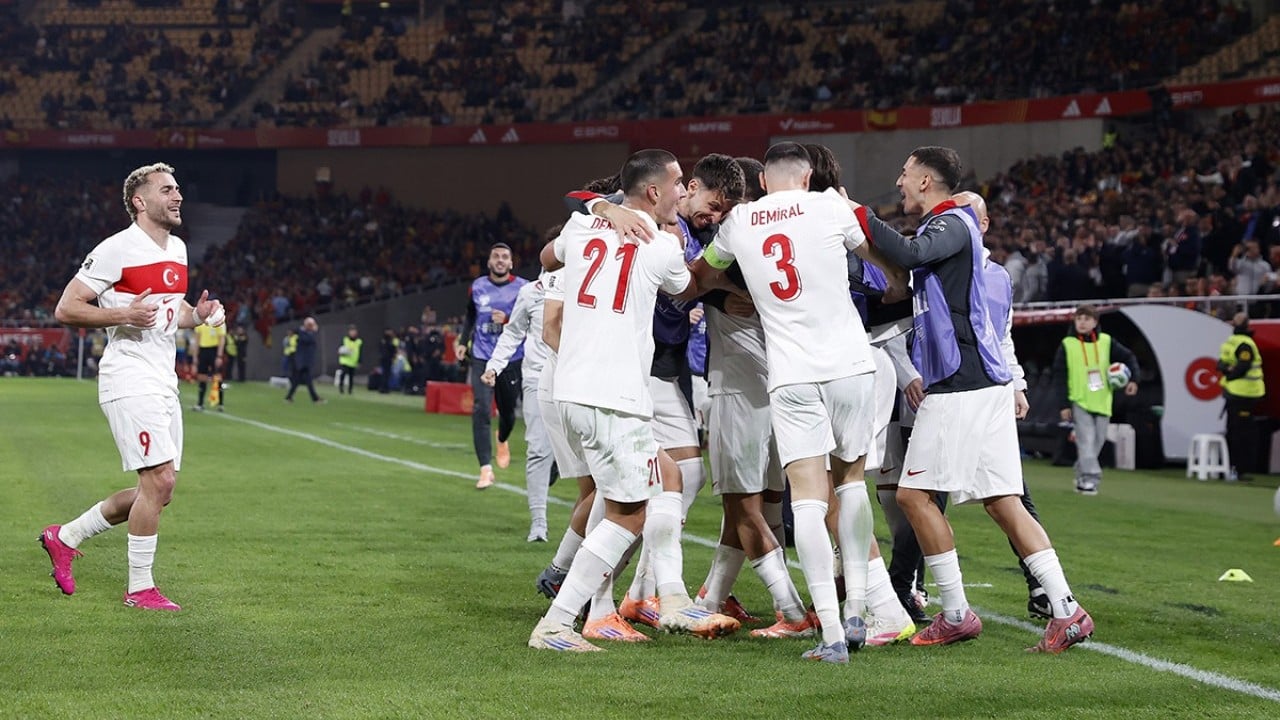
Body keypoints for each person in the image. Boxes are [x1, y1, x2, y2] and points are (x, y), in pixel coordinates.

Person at [847, 145, 1092, 653]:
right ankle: (1067, 610)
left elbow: (910, 255)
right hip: (986, 384)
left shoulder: (951, 222)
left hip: (962, 384)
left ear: (926, 180)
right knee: (1003, 502)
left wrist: (857, 213)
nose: (899, 182)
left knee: (913, 496)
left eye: (905, 173)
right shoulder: (950, 231)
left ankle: (956, 613)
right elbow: (905, 278)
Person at [692, 142, 903, 663]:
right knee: (850, 484)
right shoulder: (832, 206)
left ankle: (829, 632)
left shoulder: (740, 222)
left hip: (791, 376)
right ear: (807, 178)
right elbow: (878, 255)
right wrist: (897, 280)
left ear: (764, 181)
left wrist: (732, 288)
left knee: (807, 500)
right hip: (851, 366)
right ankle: (858, 608)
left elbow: (701, 274)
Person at [529, 149, 739, 651]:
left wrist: (601, 210)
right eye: (677, 182)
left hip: (574, 388)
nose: (683, 191)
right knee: (626, 514)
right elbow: (688, 286)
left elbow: (547, 258)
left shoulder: (581, 227)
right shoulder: (662, 247)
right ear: (653, 191)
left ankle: (672, 599)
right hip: (614, 393)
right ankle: (559, 622)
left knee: (667, 474)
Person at [40, 162, 226, 611]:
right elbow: (66, 308)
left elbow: (172, 312)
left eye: (178, 188)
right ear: (140, 202)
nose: (178, 195)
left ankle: (66, 537)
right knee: (158, 479)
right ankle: (140, 589)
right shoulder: (115, 249)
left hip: (163, 380)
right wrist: (123, 314)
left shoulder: (178, 248)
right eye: (167, 190)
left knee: (160, 491)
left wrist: (198, 315)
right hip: (128, 375)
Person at [482, 259, 557, 541]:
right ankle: (539, 524)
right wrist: (494, 365)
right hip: (537, 377)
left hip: (574, 380)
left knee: (584, 452)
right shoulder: (531, 292)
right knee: (538, 448)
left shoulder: (583, 287)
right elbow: (513, 332)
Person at [457, 243, 528, 489]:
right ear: (489, 262)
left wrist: (507, 320)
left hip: (512, 357)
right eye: (495, 256)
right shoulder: (477, 286)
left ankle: (502, 437)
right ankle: (485, 469)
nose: (500, 260)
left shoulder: (524, 288)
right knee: (481, 408)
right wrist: (462, 341)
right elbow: (470, 315)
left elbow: (532, 321)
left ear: (511, 263)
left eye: (504, 257)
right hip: (482, 355)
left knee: (508, 412)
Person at [1050, 304, 1140, 494]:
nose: (1082, 323)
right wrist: (1063, 404)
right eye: (1079, 319)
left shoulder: (1107, 341)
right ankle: (1091, 480)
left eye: (1087, 319)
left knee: (1096, 443)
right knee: (1086, 440)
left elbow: (1129, 357)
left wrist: (1134, 379)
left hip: (1103, 400)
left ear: (1095, 322)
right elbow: (1059, 376)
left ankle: (1081, 475)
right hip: (1079, 400)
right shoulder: (1068, 344)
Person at [1218, 311, 1266, 481]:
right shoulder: (1244, 343)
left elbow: (1223, 364)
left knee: (1235, 431)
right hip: (1243, 394)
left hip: (1235, 393)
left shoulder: (1232, 342)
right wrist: (1230, 374)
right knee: (1241, 433)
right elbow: (1241, 366)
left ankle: (1232, 468)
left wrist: (1228, 373)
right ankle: (1237, 469)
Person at [285, 317, 324, 403]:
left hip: (305, 361)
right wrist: (313, 331)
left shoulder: (305, 333)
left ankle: (289, 397)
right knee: (306, 380)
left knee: (298, 381)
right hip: (302, 362)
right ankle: (315, 399)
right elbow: (308, 340)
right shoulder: (302, 334)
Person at [192, 312, 226, 412]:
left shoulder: (218, 320)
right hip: (203, 350)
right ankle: (200, 403)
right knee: (202, 377)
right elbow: (197, 339)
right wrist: (195, 356)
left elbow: (221, 339)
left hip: (214, 350)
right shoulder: (201, 321)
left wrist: (219, 355)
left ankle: (220, 403)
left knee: (217, 376)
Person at [336, 324, 362, 394]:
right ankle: (341, 387)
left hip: (353, 361)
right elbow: (340, 349)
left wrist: (359, 361)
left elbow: (360, 352)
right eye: (351, 331)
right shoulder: (345, 339)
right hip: (345, 360)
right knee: (343, 374)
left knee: (351, 376)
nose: (352, 333)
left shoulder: (359, 341)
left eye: (354, 331)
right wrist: (342, 352)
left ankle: (350, 390)